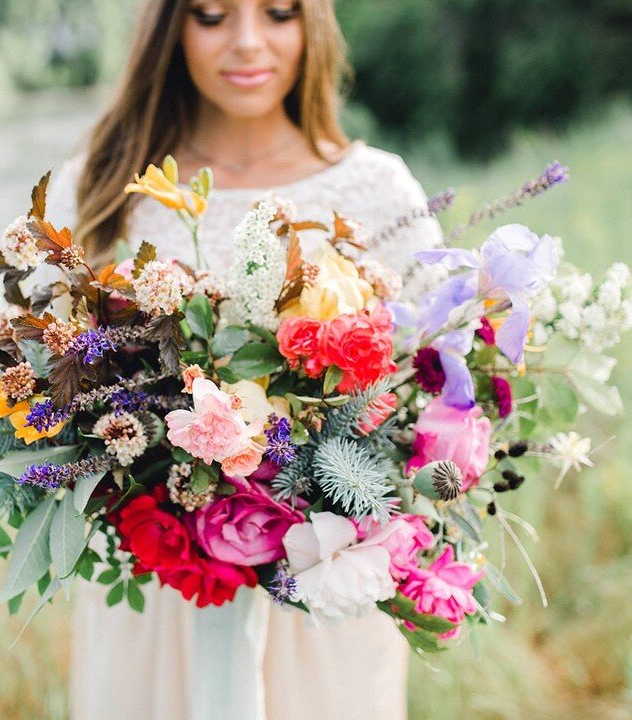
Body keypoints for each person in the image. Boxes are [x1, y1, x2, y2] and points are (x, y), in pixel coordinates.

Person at [44, 1, 444, 718]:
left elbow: (431, 381)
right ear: (171, 30)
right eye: (212, 15)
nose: (248, 42)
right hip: (157, 588)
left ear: (311, 24)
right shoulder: (102, 188)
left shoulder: (377, 191)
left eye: (279, 11)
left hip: (322, 588)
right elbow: (48, 377)